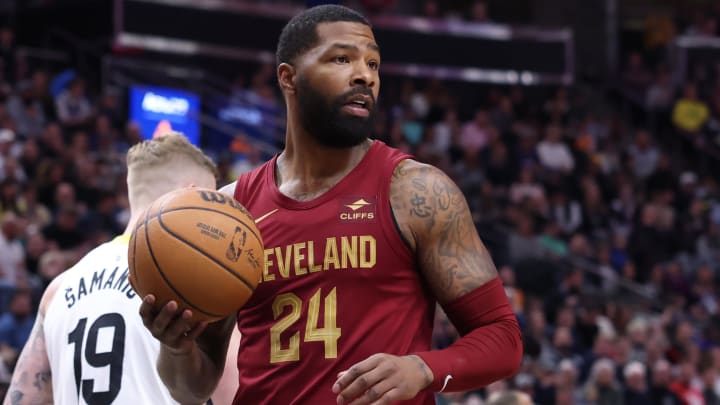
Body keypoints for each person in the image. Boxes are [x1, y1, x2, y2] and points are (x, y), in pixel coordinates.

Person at [138, 5, 523, 405]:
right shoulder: (234, 211)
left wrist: (423, 369)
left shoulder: (416, 192)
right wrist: (177, 348)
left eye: (373, 63)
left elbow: (503, 338)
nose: (365, 75)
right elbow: (192, 389)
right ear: (289, 78)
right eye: (342, 59)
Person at [4, 133, 218, 404]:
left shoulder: (58, 288)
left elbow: (23, 399)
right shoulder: (204, 283)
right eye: (213, 200)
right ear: (191, 195)